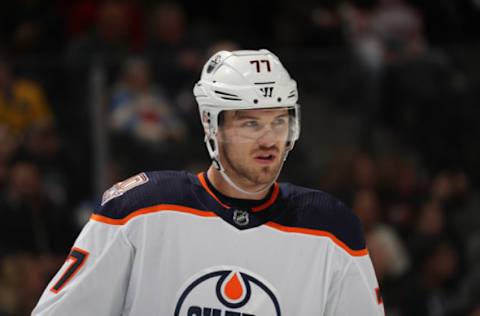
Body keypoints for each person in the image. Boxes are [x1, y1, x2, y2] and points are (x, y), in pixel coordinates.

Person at [32, 49, 384, 315]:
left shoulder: (331, 228)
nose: (269, 139)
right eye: (250, 123)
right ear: (212, 125)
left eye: (278, 121)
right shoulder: (139, 209)